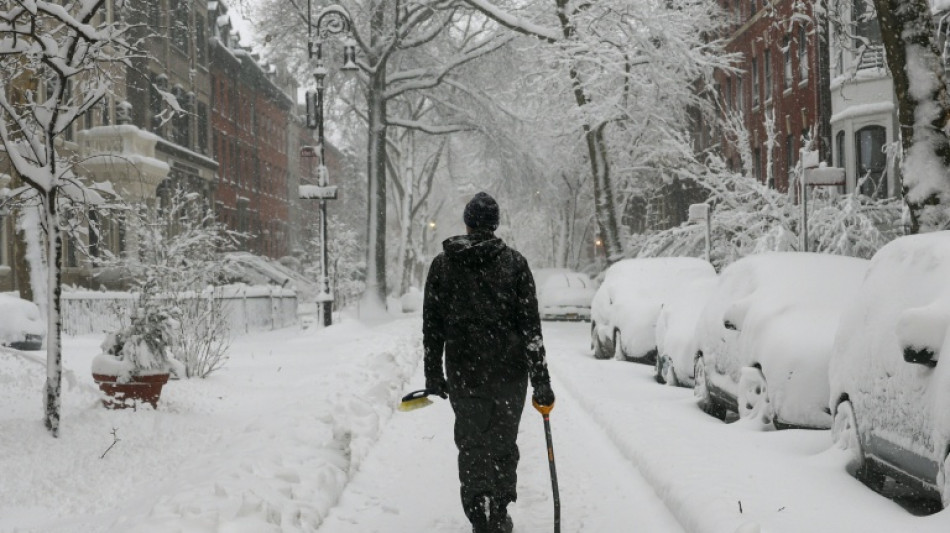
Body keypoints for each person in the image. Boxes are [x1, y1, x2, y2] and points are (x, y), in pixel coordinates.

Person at [423, 191, 556, 533]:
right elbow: (530, 329)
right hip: (509, 374)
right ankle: (497, 510)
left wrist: (433, 373)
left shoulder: (443, 265)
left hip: (464, 372)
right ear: (495, 225)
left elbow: (432, 326)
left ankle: (478, 513)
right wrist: (541, 381)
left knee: (472, 443)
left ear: (467, 223)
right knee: (502, 443)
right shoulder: (515, 264)